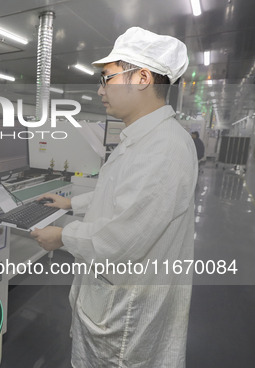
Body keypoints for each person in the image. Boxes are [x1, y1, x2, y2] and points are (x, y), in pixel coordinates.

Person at [31, 27, 198, 368]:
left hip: (124, 319)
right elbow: (122, 198)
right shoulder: (143, 138)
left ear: (142, 78)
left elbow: (121, 239)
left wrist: (61, 236)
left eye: (107, 77)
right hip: (111, 302)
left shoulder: (163, 149)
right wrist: (71, 204)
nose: (100, 89)